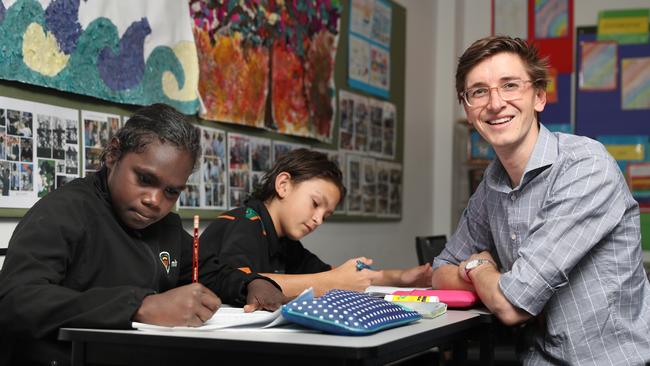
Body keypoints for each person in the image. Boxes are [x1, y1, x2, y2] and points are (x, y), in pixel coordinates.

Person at [0, 104, 285, 366]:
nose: (154, 200)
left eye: (171, 191)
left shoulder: (166, 228)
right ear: (113, 154)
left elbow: (208, 271)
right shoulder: (65, 211)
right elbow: (17, 301)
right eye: (145, 179)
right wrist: (138, 307)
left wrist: (251, 283)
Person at [431, 35, 650, 365]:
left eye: (510, 86)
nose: (495, 103)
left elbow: (512, 304)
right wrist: (489, 278)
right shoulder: (490, 187)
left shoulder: (585, 166)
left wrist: (478, 265)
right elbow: (440, 272)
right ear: (467, 107)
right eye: (479, 91)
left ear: (539, 97)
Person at [200, 148, 433, 297]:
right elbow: (242, 282)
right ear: (283, 185)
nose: (318, 219)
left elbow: (328, 273)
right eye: (315, 203)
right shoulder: (245, 222)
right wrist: (331, 282)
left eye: (326, 215)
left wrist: (400, 277)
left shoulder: (285, 242)